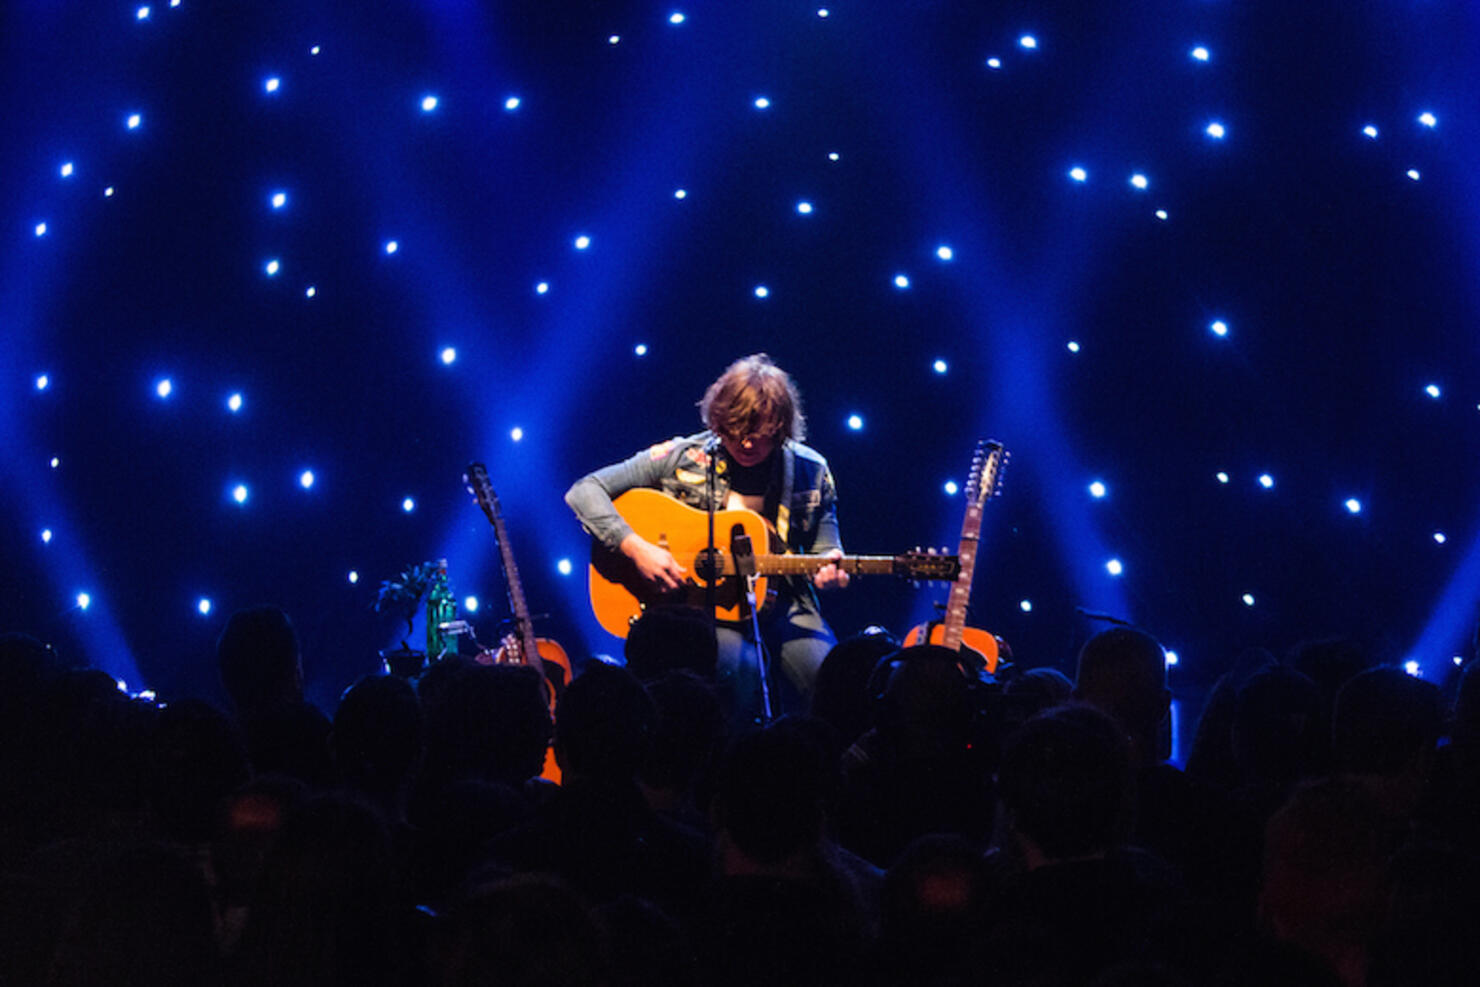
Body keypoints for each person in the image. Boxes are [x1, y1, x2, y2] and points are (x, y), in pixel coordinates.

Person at [565, 353, 848, 726]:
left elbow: (826, 547)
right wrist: (636, 548)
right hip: (701, 610)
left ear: (779, 428)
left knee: (833, 681)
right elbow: (585, 491)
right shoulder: (682, 456)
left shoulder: (811, 470)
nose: (745, 444)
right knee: (735, 677)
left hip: (783, 603)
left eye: (757, 436)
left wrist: (830, 570)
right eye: (733, 432)